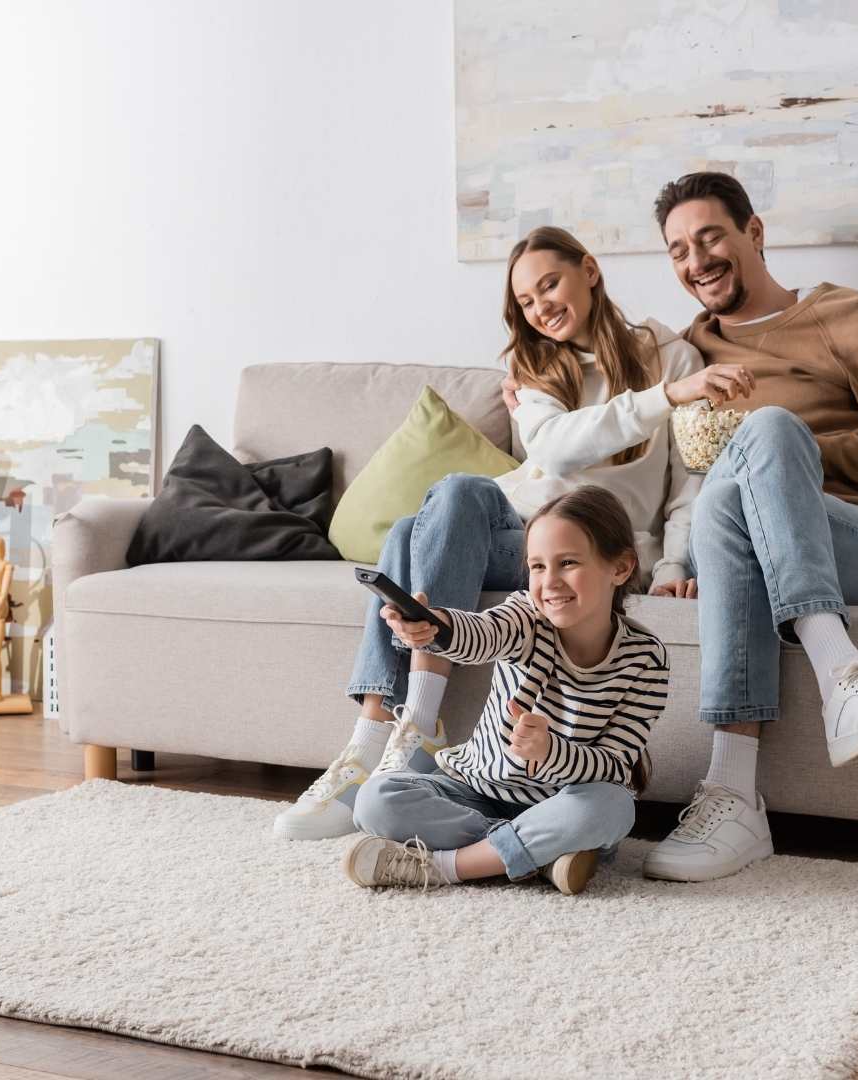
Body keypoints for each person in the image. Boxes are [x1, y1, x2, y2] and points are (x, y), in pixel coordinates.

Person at [272, 225, 751, 841]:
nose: (541, 306)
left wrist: (673, 564)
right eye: (525, 301)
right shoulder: (532, 370)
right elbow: (555, 444)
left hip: (591, 545)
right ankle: (395, 730)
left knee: (411, 535)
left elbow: (689, 480)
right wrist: (668, 398)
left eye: (550, 284)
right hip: (516, 539)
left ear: (590, 270)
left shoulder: (672, 358)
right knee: (447, 504)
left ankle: (384, 741)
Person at [641, 171, 858, 882]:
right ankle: (815, 708)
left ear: (754, 233)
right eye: (677, 250)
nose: (696, 261)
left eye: (710, 237)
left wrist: (801, 454)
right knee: (727, 498)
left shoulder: (850, 316)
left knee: (769, 430)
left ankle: (768, 751)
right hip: (737, 539)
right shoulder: (691, 350)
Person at [344, 486, 666, 895]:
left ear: (619, 568)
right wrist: (435, 626)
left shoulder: (645, 658)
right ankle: (538, 856)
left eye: (567, 563)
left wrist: (551, 753)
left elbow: (614, 765)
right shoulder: (526, 616)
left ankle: (447, 866)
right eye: (537, 566)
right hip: (476, 791)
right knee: (375, 798)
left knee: (614, 806)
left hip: (562, 802)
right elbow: (480, 633)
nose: (549, 582)